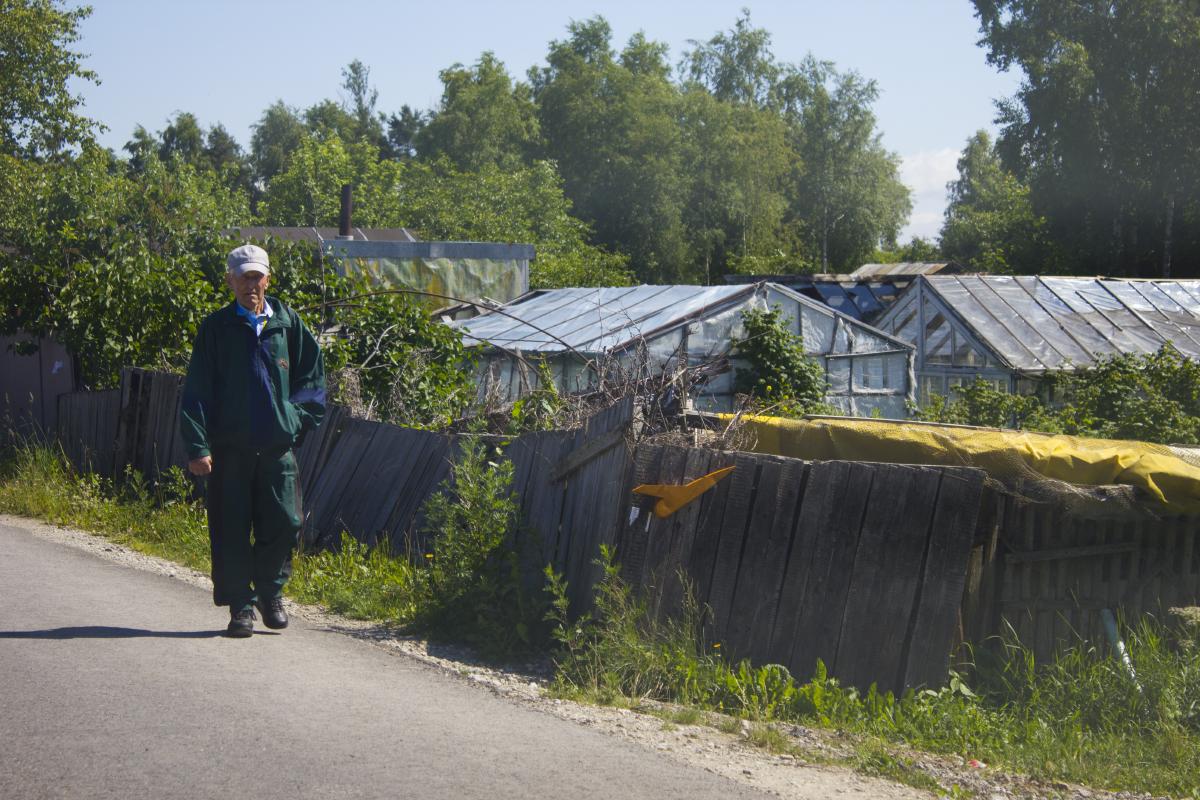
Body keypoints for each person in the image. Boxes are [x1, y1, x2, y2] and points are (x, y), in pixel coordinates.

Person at [179, 244, 326, 637]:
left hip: (277, 450)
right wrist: (198, 446)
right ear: (229, 280)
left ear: (268, 278)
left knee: (286, 522)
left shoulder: (288, 324)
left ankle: (269, 592)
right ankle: (240, 607)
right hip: (230, 452)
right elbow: (196, 392)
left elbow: (312, 378)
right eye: (243, 276)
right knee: (230, 528)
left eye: (256, 276)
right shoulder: (216, 328)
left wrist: (294, 419)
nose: (251, 284)